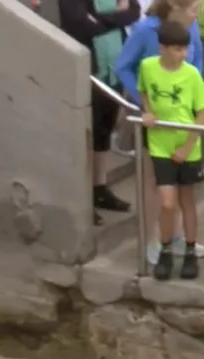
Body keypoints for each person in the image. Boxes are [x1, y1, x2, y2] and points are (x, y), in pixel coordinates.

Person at [115, 0, 204, 260]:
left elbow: (197, 64)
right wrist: (142, 101)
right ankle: (152, 240)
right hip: (152, 119)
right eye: (192, 10)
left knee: (182, 184)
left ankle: (177, 236)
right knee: (153, 181)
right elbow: (123, 66)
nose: (196, 15)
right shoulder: (147, 30)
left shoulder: (191, 30)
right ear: (173, 6)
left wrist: (193, 99)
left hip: (183, 117)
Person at [138, 21, 204, 281]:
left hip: (187, 146)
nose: (183, 54)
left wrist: (187, 146)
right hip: (160, 143)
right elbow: (144, 92)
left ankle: (190, 251)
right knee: (167, 202)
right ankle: (166, 250)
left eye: (185, 49)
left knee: (186, 200)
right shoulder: (148, 67)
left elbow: (203, 114)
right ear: (163, 48)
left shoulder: (192, 74)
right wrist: (146, 112)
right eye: (177, 49)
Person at [60, 0, 140, 225]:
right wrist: (117, 16)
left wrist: (103, 18)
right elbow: (79, 23)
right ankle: (84, 197)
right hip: (92, 67)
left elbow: (133, 11)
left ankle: (100, 187)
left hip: (114, 66)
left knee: (104, 129)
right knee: (89, 132)